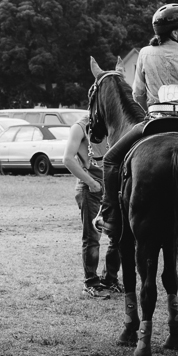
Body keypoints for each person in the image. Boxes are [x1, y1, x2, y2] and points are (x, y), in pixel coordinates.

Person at [93, 3, 178, 235]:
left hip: (154, 120)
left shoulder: (144, 53)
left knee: (111, 160)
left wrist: (149, 109)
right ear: (175, 32)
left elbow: (138, 94)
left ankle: (109, 215)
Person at [63, 113, 121, 298]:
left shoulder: (111, 124)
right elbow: (68, 159)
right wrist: (91, 182)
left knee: (118, 235)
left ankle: (110, 280)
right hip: (91, 189)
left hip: (112, 187)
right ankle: (91, 283)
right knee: (92, 237)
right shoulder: (79, 127)